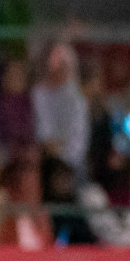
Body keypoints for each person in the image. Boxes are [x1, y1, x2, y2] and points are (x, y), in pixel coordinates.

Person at [34, 41, 90, 172]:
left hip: (71, 162)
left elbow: (77, 134)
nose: (59, 71)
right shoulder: (39, 93)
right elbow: (42, 127)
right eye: (57, 66)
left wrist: (63, 153)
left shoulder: (76, 99)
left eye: (64, 67)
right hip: (45, 158)